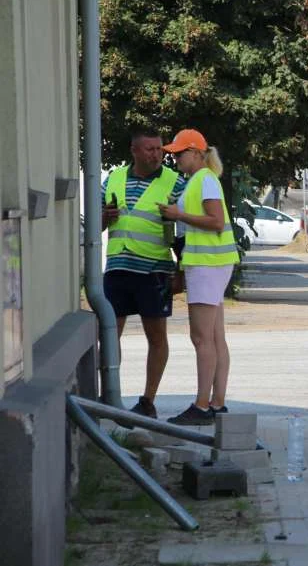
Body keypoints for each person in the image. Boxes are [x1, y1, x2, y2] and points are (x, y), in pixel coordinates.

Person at [102, 127, 186, 419]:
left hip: (155, 269)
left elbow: (183, 231)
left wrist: (181, 271)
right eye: (150, 149)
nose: (156, 154)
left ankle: (148, 400)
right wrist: (103, 217)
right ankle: (110, 394)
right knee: (111, 333)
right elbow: (94, 224)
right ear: (134, 150)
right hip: (118, 266)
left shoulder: (175, 183)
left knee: (156, 336)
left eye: (159, 148)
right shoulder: (112, 178)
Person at [158, 129, 240, 425]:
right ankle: (216, 403)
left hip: (207, 265)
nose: (174, 157)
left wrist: (178, 216)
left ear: (195, 152)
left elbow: (216, 221)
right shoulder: (201, 180)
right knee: (215, 337)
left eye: (179, 153)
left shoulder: (204, 180)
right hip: (212, 264)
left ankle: (202, 405)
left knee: (201, 338)